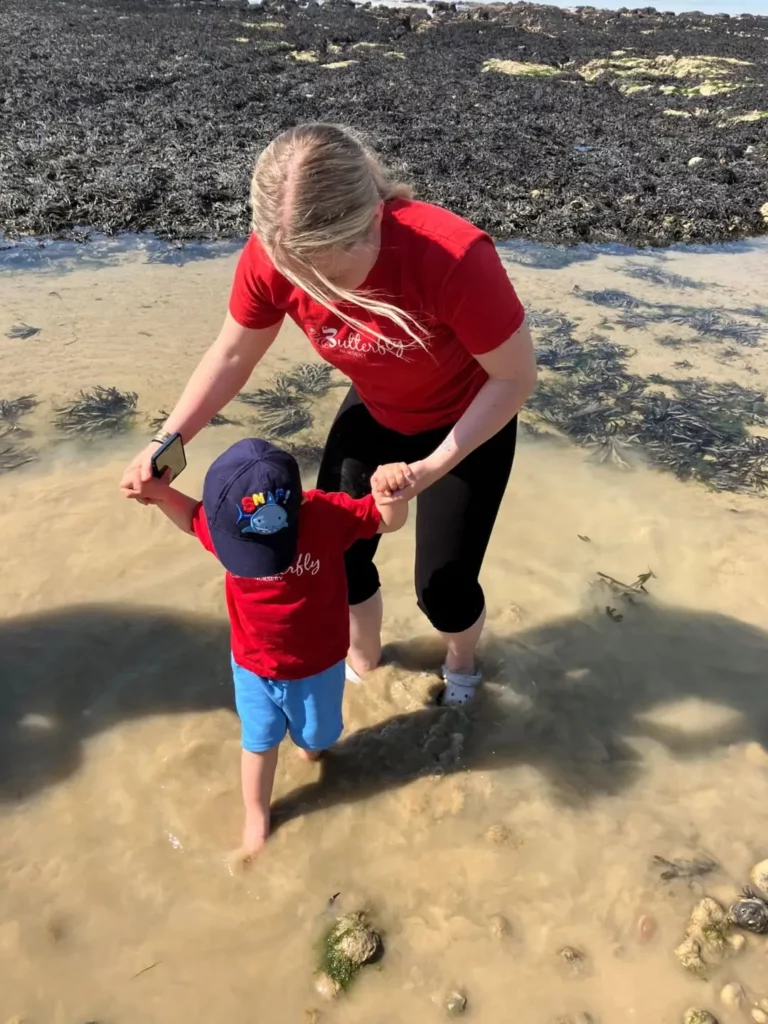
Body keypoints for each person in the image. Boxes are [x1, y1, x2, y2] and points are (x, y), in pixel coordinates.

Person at [120, 123, 537, 706]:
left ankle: (462, 659)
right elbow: (235, 353)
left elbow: (515, 377)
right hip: (374, 410)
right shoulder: (274, 255)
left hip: (469, 424)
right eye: (298, 275)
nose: (314, 293)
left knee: (443, 590)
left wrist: (434, 466)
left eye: (330, 276)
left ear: (371, 220)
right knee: (335, 554)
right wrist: (169, 441)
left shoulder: (452, 257)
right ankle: (365, 658)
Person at [140, 436, 408, 857]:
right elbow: (191, 516)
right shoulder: (225, 523)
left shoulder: (325, 513)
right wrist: (159, 493)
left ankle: (311, 747)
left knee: (317, 741)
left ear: (298, 506)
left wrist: (388, 490)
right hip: (252, 664)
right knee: (259, 742)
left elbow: (384, 521)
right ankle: (257, 815)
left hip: (318, 664)